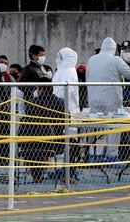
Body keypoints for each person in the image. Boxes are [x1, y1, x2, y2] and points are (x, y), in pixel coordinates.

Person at [86, 37, 130, 163]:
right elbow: (129, 74)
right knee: (113, 128)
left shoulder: (91, 60)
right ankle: (112, 157)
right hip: (111, 100)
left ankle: (94, 155)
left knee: (97, 128)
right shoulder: (115, 60)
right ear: (113, 49)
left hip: (94, 99)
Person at [19, 77, 65, 183]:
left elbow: (27, 124)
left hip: (32, 142)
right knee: (73, 145)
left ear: (41, 88)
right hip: (56, 141)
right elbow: (67, 122)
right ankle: (68, 174)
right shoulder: (60, 102)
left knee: (33, 148)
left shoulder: (32, 103)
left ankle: (36, 176)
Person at [52, 47, 80, 183]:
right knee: (60, 142)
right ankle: (60, 170)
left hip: (68, 111)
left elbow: (66, 93)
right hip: (58, 111)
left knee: (69, 142)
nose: (58, 59)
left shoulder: (69, 72)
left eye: (60, 57)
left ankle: (67, 171)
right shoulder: (60, 71)